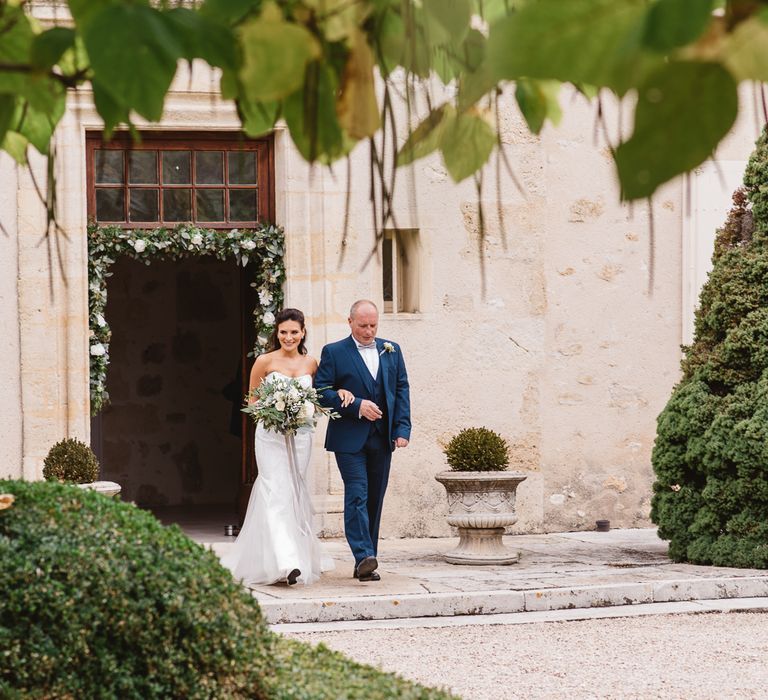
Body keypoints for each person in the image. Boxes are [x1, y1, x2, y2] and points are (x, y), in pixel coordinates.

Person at [221, 308, 334, 586]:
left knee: (294, 490)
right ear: (277, 333)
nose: (288, 337)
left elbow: (318, 399)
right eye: (283, 332)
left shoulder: (312, 363)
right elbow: (252, 401)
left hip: (301, 437)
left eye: (294, 332)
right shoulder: (264, 361)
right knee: (274, 491)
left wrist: (300, 412)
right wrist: (275, 411)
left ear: (303, 332)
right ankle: (287, 561)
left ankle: (289, 553)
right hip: (270, 436)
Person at [315, 300, 411, 582]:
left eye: (373, 326)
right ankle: (363, 555)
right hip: (349, 439)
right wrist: (355, 404)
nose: (369, 331)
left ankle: (368, 559)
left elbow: (401, 388)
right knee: (357, 494)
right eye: (363, 326)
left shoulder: (391, 350)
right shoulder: (333, 352)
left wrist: (402, 428)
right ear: (350, 322)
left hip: (383, 438)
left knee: (374, 499)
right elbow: (320, 392)